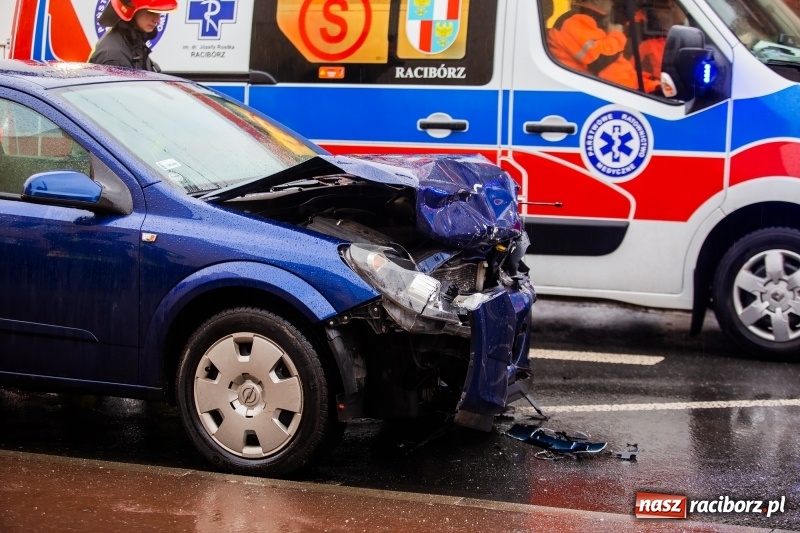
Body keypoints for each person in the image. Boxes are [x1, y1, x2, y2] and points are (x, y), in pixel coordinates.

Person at [548, 0, 660, 93]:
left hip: (618, 91)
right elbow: (600, 60)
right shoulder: (574, 22)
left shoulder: (593, 20)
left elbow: (621, 70)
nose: (616, 4)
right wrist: (617, 34)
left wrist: (650, 80)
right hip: (610, 94)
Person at [88, 0, 178, 72]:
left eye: (159, 13)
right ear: (131, 11)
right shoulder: (114, 57)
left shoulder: (134, 42)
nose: (158, 20)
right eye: (151, 13)